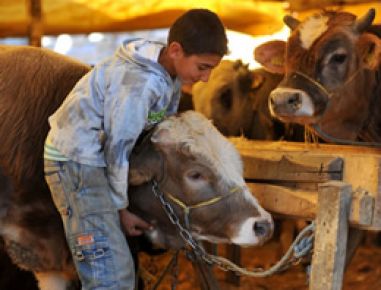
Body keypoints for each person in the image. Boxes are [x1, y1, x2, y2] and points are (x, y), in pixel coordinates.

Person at [43, 8, 228, 290]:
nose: (205, 79)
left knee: (118, 269)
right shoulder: (139, 84)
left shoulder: (169, 75)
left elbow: (155, 131)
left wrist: (124, 208)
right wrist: (120, 207)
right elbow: (118, 149)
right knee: (109, 274)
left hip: (96, 159)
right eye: (203, 67)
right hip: (77, 162)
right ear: (176, 50)